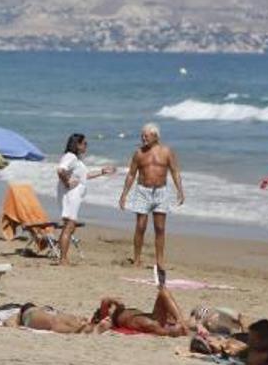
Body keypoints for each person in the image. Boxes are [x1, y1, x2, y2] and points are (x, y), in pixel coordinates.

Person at [118, 122, 184, 275]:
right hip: (143, 191)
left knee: (160, 228)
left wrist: (180, 190)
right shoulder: (139, 153)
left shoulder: (166, 152)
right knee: (140, 226)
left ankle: (160, 260)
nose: (143, 138)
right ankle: (137, 258)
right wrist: (124, 194)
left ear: (155, 136)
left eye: (146, 136)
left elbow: (174, 171)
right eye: (142, 136)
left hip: (161, 192)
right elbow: (131, 174)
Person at [56, 133, 115, 265]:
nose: (86, 146)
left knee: (69, 227)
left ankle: (62, 256)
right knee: (69, 226)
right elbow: (60, 170)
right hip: (70, 196)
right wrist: (67, 183)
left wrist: (101, 172)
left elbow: (84, 176)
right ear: (77, 145)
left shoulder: (76, 160)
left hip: (72, 196)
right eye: (84, 144)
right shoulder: (70, 157)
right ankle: (63, 259)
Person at [91, 287, 189, 337]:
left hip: (149, 320)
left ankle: (180, 325)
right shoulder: (107, 317)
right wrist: (115, 301)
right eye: (110, 307)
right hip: (144, 321)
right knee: (163, 292)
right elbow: (105, 300)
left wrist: (117, 304)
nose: (112, 307)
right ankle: (181, 323)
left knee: (164, 294)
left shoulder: (119, 313)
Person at [5, 303, 112, 334]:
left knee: (54, 323)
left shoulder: (22, 312)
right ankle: (86, 327)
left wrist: (18, 326)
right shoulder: (38, 309)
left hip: (31, 317)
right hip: (51, 312)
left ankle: (82, 329)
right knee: (62, 319)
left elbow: (9, 323)